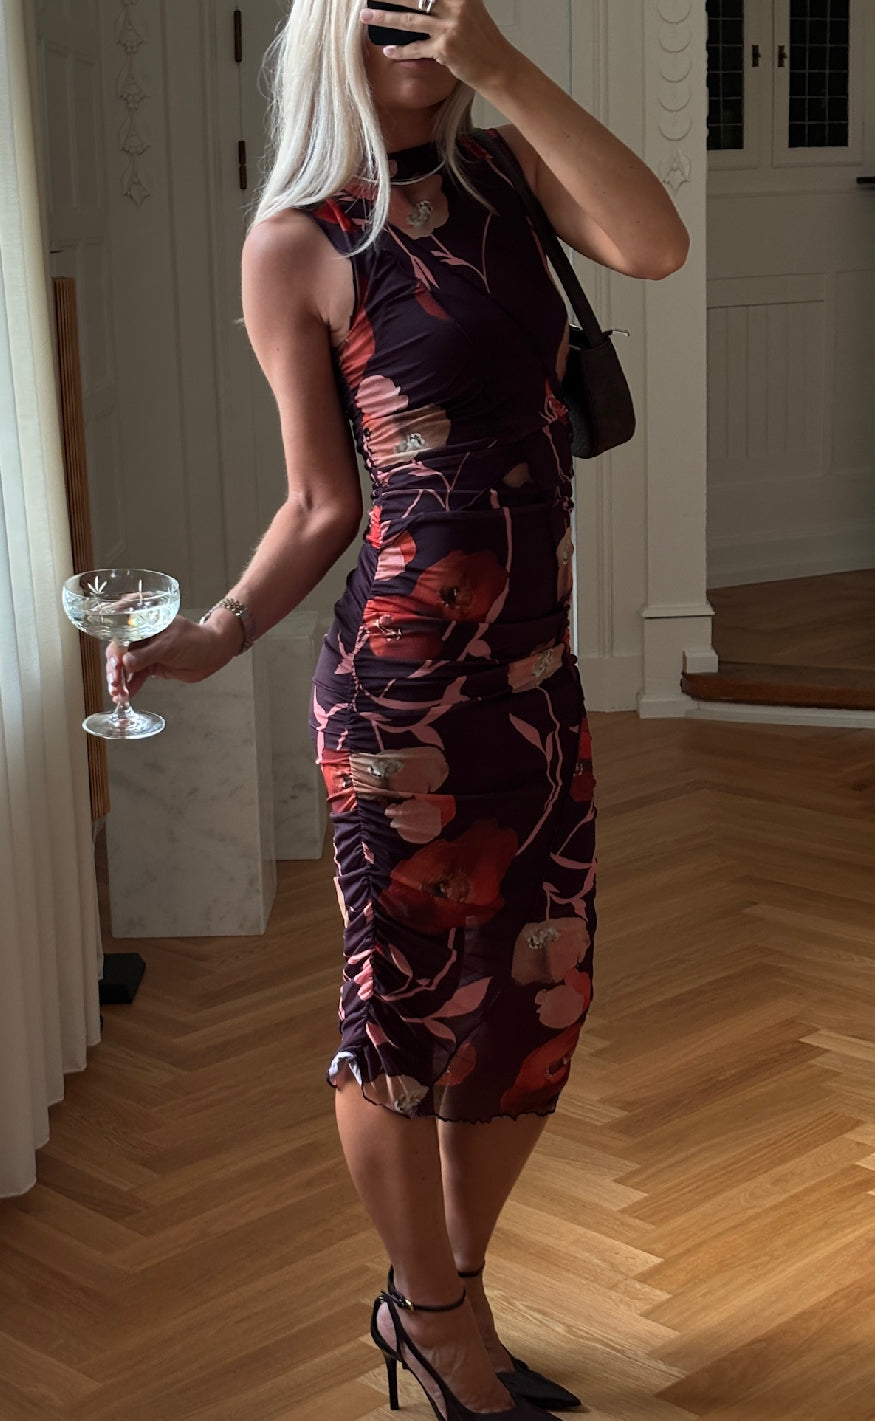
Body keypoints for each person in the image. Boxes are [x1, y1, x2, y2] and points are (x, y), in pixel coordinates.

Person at [107, 1, 689, 1415]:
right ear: (333, 38)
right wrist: (219, 631)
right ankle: (434, 1321)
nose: (420, 29)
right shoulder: (297, 242)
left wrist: (504, 69)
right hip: (400, 697)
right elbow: (322, 501)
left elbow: (655, 245)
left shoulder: (508, 172)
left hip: (536, 683)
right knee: (404, 1018)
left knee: (538, 1002)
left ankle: (447, 1292)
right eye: (387, 16)